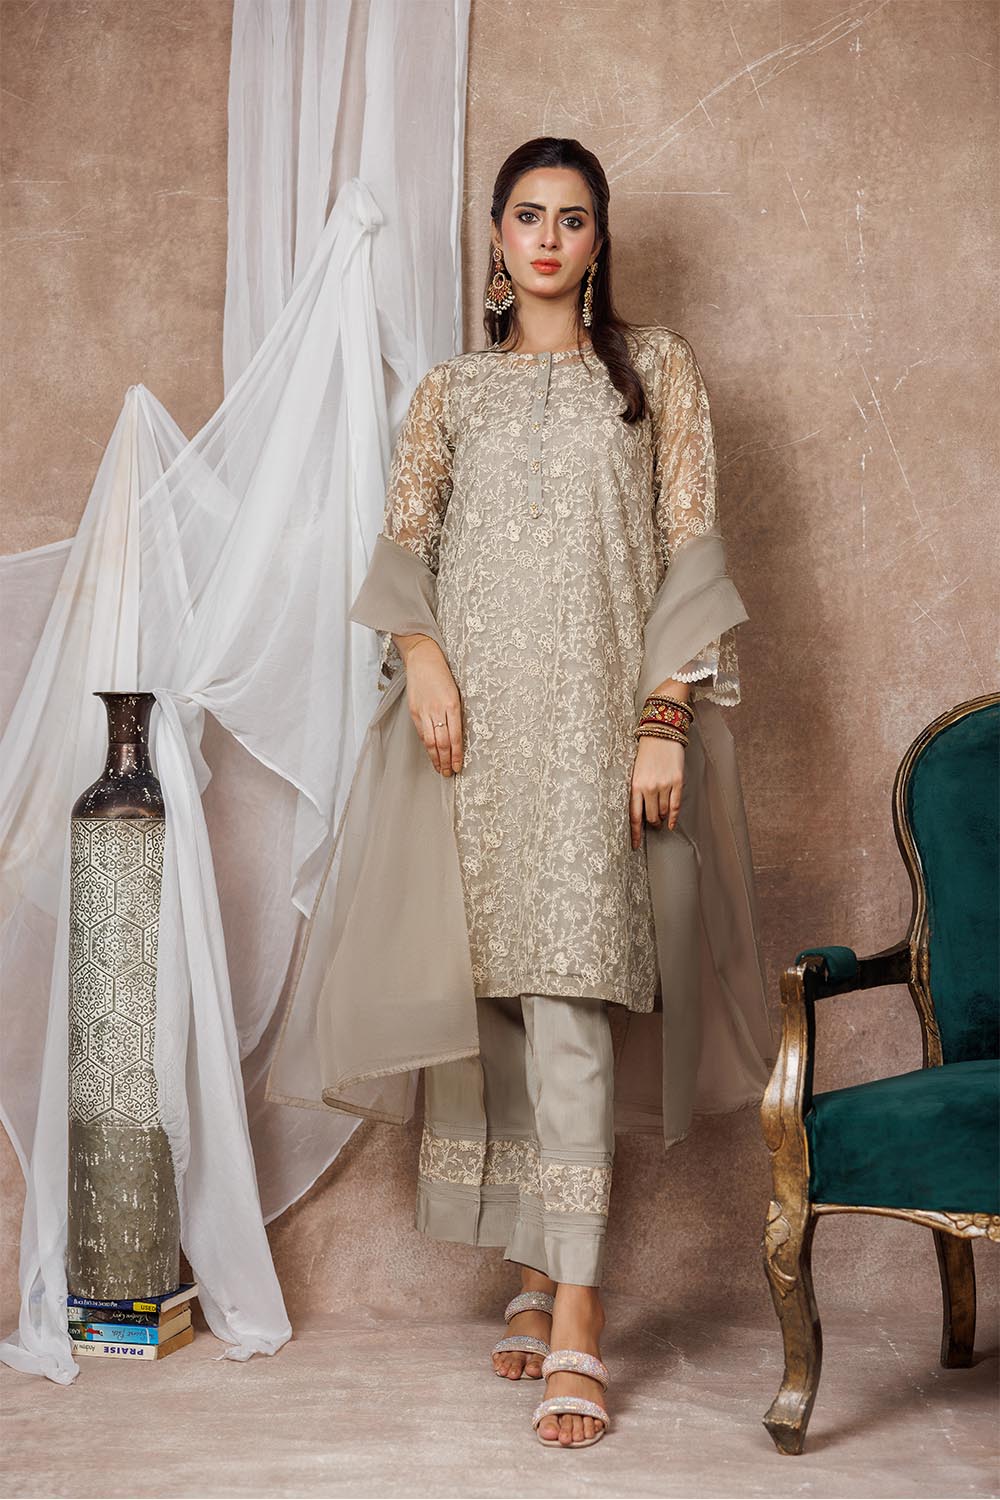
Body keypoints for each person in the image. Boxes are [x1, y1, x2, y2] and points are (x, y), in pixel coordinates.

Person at [267, 135, 772, 1451]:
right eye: (528, 215)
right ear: (497, 236)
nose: (549, 238)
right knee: (495, 1002)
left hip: (601, 737)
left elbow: (692, 548)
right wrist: (427, 662)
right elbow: (406, 550)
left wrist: (665, 717)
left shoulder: (654, 373)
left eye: (573, 218)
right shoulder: (451, 394)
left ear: (599, 240)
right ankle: (535, 1267)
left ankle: (581, 1311)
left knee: (573, 995)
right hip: (473, 741)